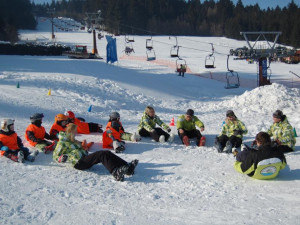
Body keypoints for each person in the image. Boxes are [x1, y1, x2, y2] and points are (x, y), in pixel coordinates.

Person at [53, 123, 138, 181]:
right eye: (75, 131)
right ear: (70, 131)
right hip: (78, 163)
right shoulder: (62, 142)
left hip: (83, 158)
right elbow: (56, 156)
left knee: (106, 153)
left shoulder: (72, 140)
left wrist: (84, 147)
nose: (76, 133)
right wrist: (62, 158)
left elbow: (79, 148)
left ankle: (127, 167)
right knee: (101, 154)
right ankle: (116, 173)